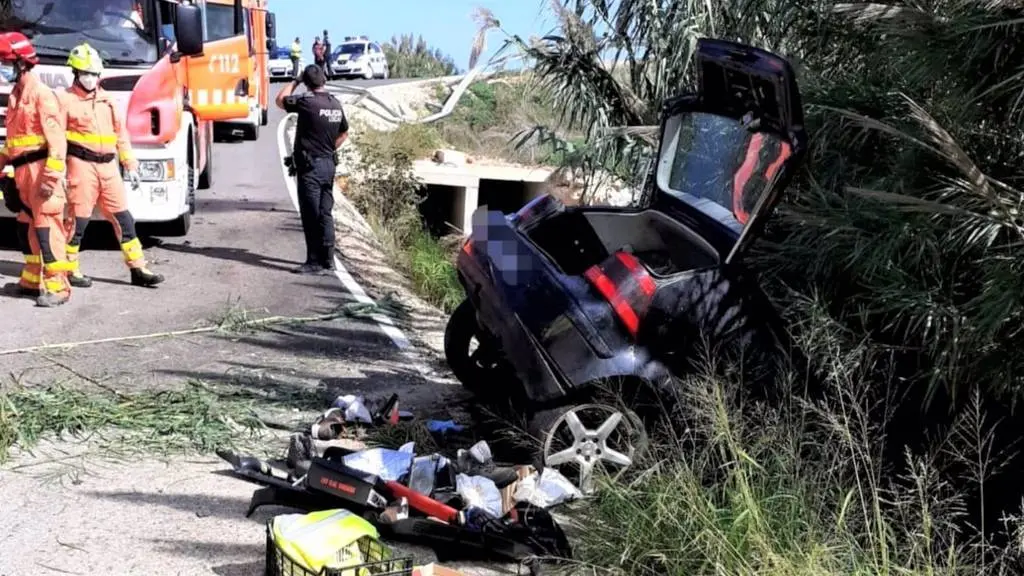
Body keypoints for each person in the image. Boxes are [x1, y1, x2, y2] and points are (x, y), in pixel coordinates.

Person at [62, 43, 164, 288]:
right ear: (76, 73)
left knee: (125, 220)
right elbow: (55, 139)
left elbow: (121, 135)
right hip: (80, 166)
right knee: (78, 222)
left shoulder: (107, 101)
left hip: (108, 168)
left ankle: (138, 268)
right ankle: (69, 269)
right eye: (86, 74)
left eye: (94, 74)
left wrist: (130, 164)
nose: (91, 78)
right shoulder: (64, 101)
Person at [0, 32, 72, 307]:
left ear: (21, 64)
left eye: (4, 62)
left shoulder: (43, 96)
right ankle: (31, 282)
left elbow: (57, 144)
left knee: (47, 228)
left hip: (41, 173)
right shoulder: (16, 97)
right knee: (26, 228)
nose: (2, 68)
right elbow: (13, 144)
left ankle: (58, 287)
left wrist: (51, 178)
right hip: (22, 174)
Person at [275, 65, 349, 274]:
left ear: (307, 83)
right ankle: (329, 261)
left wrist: (295, 81)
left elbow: (280, 100)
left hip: (311, 167)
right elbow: (344, 134)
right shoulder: (335, 103)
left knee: (311, 214)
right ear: (324, 81)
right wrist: (327, 148)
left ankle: (314, 262)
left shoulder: (306, 102)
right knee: (325, 213)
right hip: (329, 164)